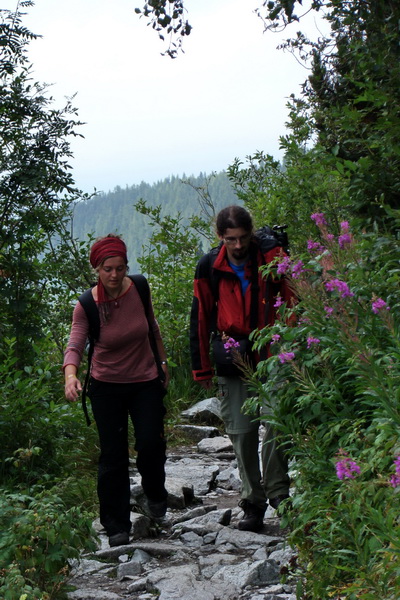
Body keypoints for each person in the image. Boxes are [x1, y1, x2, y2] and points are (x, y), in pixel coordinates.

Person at [190, 205, 294, 532]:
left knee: (278, 419)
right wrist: (202, 370)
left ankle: (278, 493)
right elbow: (200, 318)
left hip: (272, 350)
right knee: (242, 432)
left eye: (244, 237)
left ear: (252, 234)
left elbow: (293, 296)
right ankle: (253, 501)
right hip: (232, 354)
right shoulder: (209, 267)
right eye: (231, 239)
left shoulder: (268, 257)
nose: (238, 245)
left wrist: (295, 342)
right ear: (220, 236)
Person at [64, 234, 169, 547]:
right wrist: (70, 376)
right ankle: (116, 525)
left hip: (145, 379)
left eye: (120, 268)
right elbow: (75, 345)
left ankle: (155, 493)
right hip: (106, 386)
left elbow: (152, 327)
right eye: (108, 269)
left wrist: (164, 363)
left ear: (127, 267)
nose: (114, 275)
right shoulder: (86, 305)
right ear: (97, 268)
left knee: (151, 442)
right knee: (113, 455)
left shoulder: (140, 287)